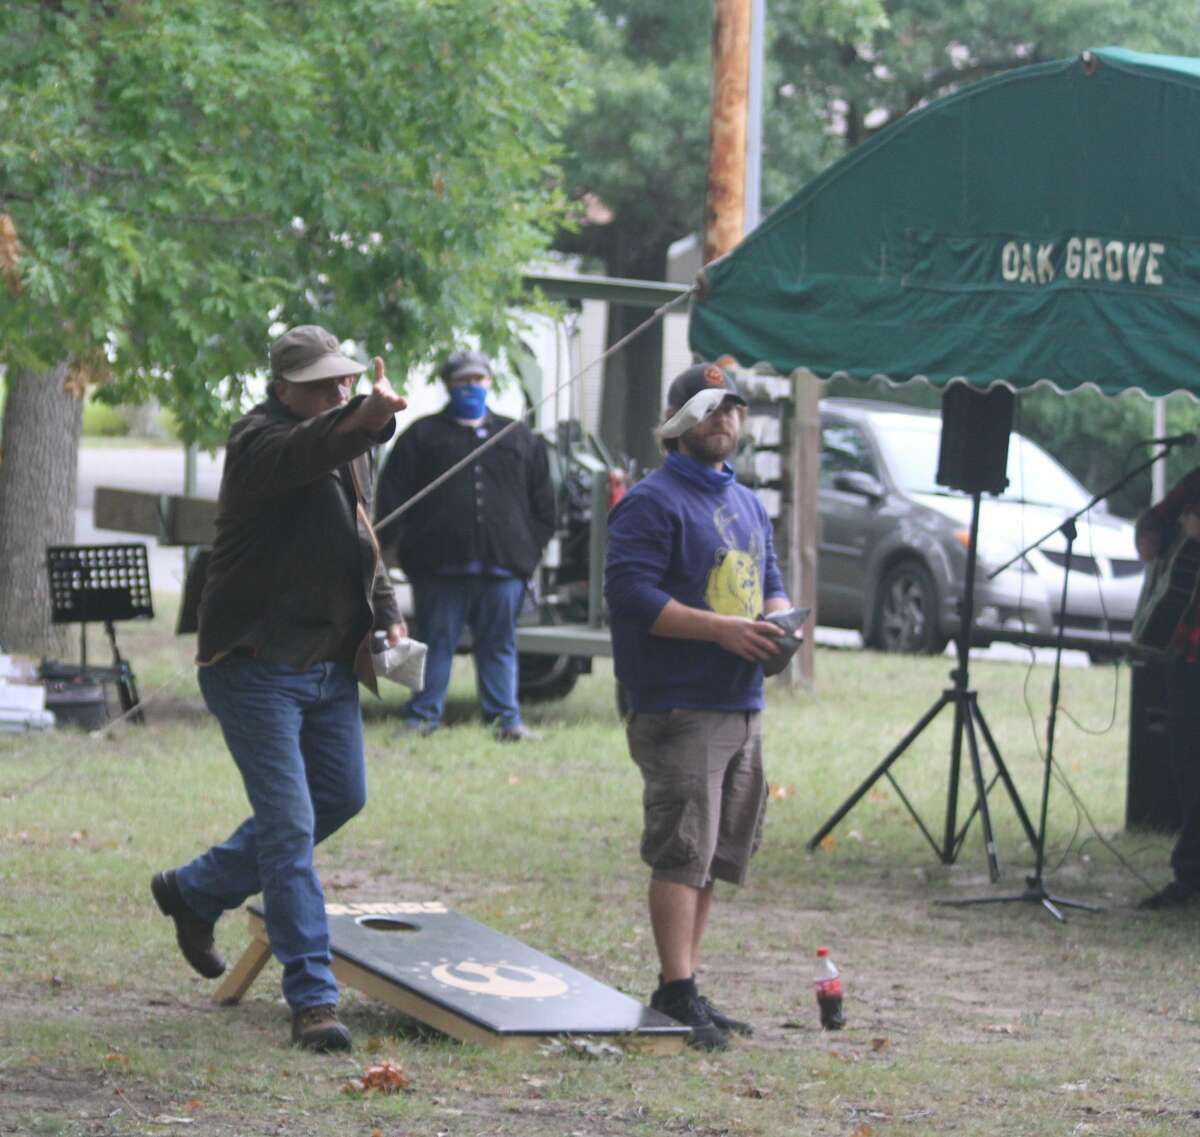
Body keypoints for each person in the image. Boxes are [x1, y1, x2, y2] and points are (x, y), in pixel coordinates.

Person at [151, 324, 408, 1052]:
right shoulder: (259, 442)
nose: (340, 390)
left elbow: (362, 536)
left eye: (346, 380)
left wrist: (387, 618)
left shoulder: (346, 445)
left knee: (341, 796)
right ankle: (314, 999)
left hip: (327, 666)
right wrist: (360, 418)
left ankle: (194, 889)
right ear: (282, 386)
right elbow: (309, 449)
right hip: (255, 663)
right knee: (290, 827)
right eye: (325, 382)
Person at [604, 362, 795, 1049]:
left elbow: (770, 581)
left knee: (713, 853)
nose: (725, 418)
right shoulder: (650, 502)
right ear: (680, 420)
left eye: (734, 408)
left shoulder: (745, 502)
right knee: (682, 849)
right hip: (678, 705)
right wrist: (721, 629)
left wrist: (780, 623)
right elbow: (631, 598)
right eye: (711, 407)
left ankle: (682, 985)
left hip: (740, 701)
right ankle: (676, 987)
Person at [374, 349, 555, 741]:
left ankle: (506, 721)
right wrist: (391, 548)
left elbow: (544, 505)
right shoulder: (421, 436)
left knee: (500, 645)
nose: (471, 387)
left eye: (478, 380)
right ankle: (423, 716)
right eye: (462, 381)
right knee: (436, 643)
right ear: (448, 386)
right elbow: (392, 497)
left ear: (489, 383)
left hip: (504, 567)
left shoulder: (519, 437)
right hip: (439, 567)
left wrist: (527, 552)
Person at [1134, 468, 1200, 909]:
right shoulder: (1197, 482)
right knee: (1189, 764)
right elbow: (1154, 521)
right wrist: (1153, 541)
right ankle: (1190, 874)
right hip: (1187, 650)